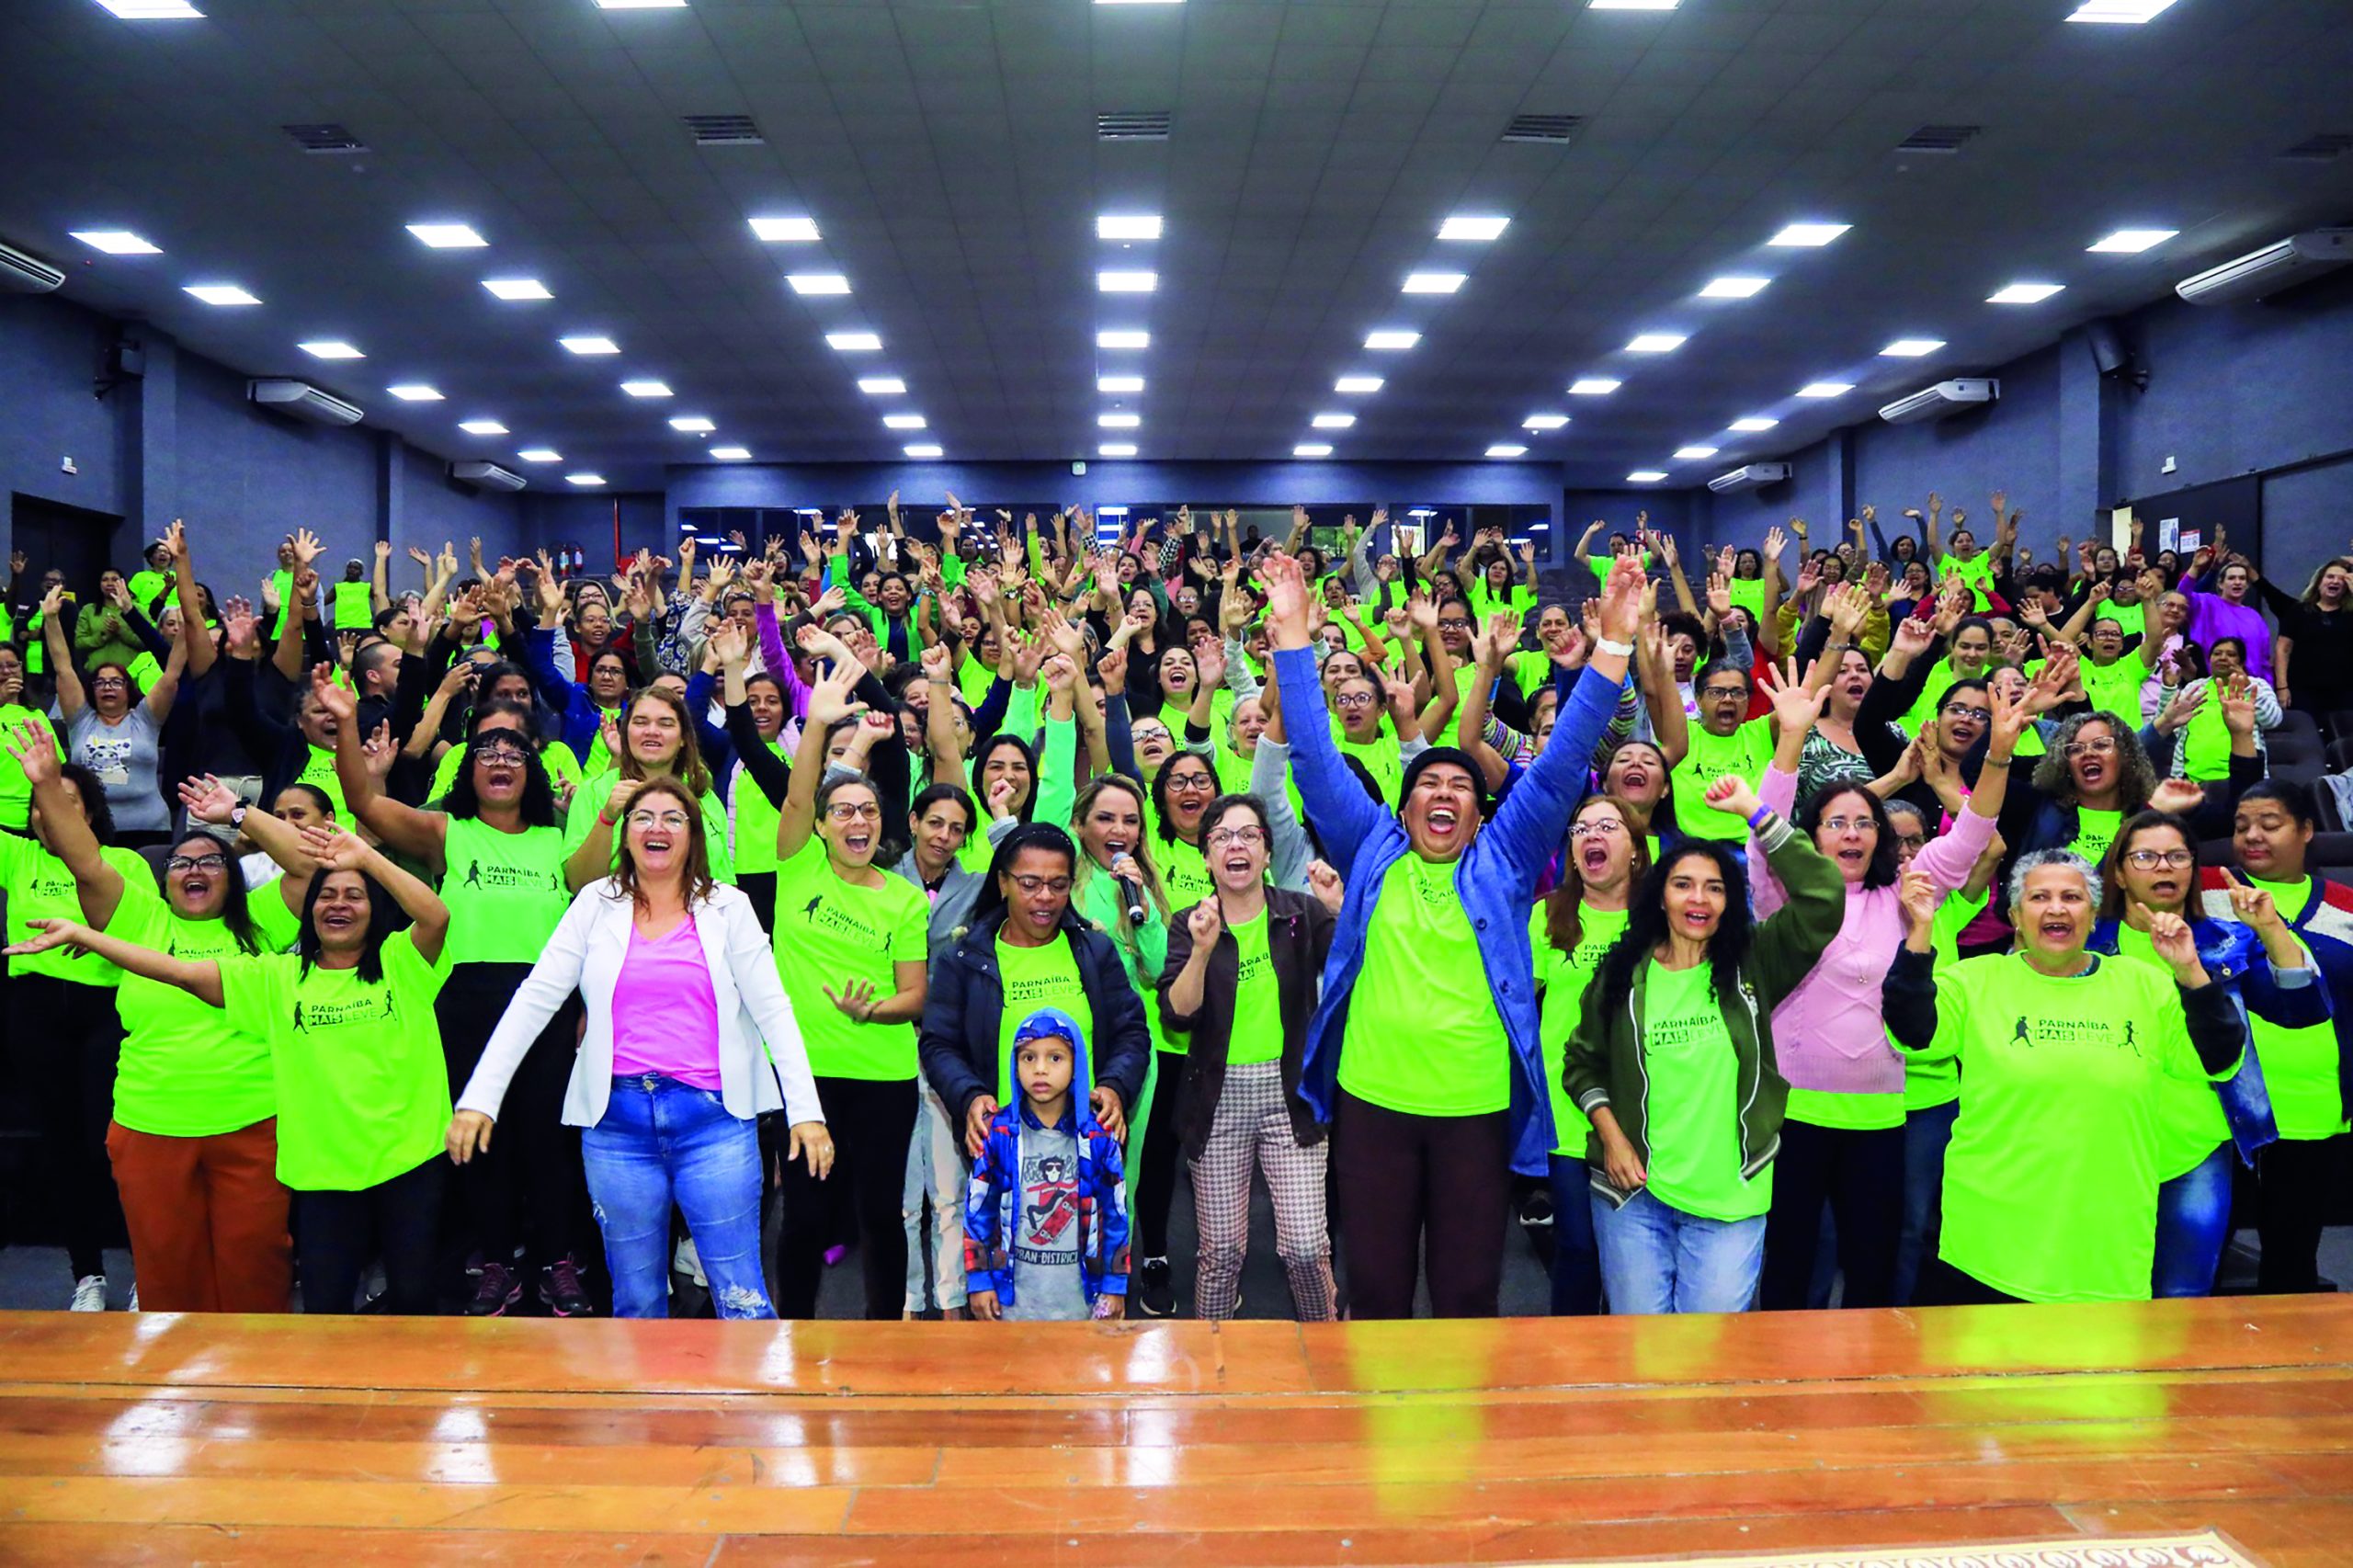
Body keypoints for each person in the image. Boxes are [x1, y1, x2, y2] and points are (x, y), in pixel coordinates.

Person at [1264, 550, 1641, 1319]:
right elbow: (1311, 752)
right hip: (1372, 1106)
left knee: (1469, 1292)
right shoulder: (1370, 848)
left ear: (1479, 812)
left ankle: (1459, 1436)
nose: (1443, 791)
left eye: (1460, 786)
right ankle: (1376, 1431)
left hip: (1475, 1111)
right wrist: (1295, 638)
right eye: (1427, 784)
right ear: (1403, 810)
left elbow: (1565, 760)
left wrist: (1614, 648)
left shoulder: (1505, 858)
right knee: (1376, 1288)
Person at [9, 823, 456, 1314]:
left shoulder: (401, 962)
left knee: (414, 1296)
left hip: (409, 1160)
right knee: (326, 1308)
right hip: (324, 1172)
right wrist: (90, 938)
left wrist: (366, 859)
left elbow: (435, 915)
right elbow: (178, 971)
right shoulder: (277, 978)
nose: (339, 905)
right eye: (326, 896)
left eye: (355, 897)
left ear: (375, 912)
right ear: (309, 915)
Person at [449, 777, 834, 1320]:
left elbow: (775, 1010)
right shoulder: (593, 904)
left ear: (693, 836)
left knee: (742, 1297)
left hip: (715, 1122)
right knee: (635, 1300)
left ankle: (754, 1407)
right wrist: (479, 1098)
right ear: (625, 834)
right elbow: (535, 998)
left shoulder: (731, 907)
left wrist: (806, 1114)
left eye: (673, 818)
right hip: (616, 1126)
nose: (658, 827)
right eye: (643, 816)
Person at [320, 670, 589, 1318]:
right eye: (486, 754)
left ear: (535, 773)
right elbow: (364, 803)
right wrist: (347, 724)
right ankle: (497, 1261)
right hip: (466, 1004)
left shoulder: (561, 841)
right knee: (485, 1143)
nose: (499, 762)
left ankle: (559, 1263)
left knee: (550, 1143)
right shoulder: (447, 834)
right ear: (467, 773)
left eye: (513, 754)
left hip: (547, 1005)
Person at [1749, 665, 2018, 1312]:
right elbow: (1764, 835)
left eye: (1864, 823)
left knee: (1871, 1266)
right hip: (1793, 1118)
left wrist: (2000, 755)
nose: (1852, 833)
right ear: (1812, 836)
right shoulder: (1781, 894)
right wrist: (1791, 737)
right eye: (1836, 822)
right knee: (1790, 1263)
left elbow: (1974, 837)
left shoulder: (1906, 892)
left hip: (1879, 1119)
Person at [9, 728, 300, 1312]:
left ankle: (259, 1398)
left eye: (211, 861)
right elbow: (86, 863)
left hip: (251, 1125)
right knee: (168, 1278)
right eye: (181, 861)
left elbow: (306, 866)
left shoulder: (264, 921)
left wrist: (238, 813)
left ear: (235, 876)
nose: (194, 868)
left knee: (256, 1271)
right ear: (163, 880)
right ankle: (177, 1402)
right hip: (150, 1128)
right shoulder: (140, 920)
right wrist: (45, 785)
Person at [1882, 851, 2248, 1304]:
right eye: (2040, 897)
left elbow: (2219, 1059)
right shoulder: (1975, 980)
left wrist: (2190, 971)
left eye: (2072, 897)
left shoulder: (2144, 984)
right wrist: (1921, 930)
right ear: (2016, 916)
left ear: (2094, 915)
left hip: (2107, 1251)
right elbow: (1911, 1031)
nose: (2057, 908)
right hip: (1988, 1249)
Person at [1563, 776, 1845, 1315]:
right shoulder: (1622, 976)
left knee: (1708, 1358)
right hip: (1633, 1197)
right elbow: (1581, 1065)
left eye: (1715, 887)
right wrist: (1613, 1139)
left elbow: (1824, 896)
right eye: (1683, 884)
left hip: (1731, 1199)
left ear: (1729, 901)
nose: (1699, 898)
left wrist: (1756, 814)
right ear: (1660, 897)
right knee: (1643, 1356)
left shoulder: (1757, 964)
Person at [2093, 811, 2319, 1296]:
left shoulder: (2227, 939)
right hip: (2098, 1140)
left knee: (2183, 1295)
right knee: (2100, 1291)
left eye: (2178, 856)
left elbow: (2300, 1010)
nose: (2164, 868)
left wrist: (2271, 929)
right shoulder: (2087, 944)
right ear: (2118, 871)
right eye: (2145, 857)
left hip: (2196, 1142)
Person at [767, 662, 930, 1321]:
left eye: (867, 810)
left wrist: (876, 1010)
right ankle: (793, 1336)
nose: (856, 820)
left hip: (885, 1078)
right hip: (809, 1079)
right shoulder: (798, 866)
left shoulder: (905, 898)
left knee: (880, 1217)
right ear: (825, 826)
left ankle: (886, 1340)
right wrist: (822, 724)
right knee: (803, 1216)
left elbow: (914, 996)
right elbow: (799, 795)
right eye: (842, 811)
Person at [1157, 794, 1339, 1322]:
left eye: (1249, 836)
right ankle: (1212, 1365)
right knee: (1221, 1253)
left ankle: (1324, 1348)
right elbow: (1177, 1014)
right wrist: (1201, 950)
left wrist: (1338, 909)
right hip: (1216, 1098)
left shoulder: (1301, 914)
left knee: (1306, 1248)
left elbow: (1360, 968)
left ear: (1265, 853)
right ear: (1207, 857)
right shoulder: (1190, 923)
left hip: (1292, 1096)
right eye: (1221, 837)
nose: (1235, 846)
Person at [0, 732, 147, 1311]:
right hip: (35, 1011)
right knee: (62, 1146)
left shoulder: (124, 862)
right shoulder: (20, 855)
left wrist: (99, 942)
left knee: (112, 1145)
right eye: (40, 803)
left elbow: (138, 931)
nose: (48, 812)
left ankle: (147, 1270)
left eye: (64, 801)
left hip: (103, 1015)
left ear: (88, 811)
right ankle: (88, 1274)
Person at [920, 824, 1151, 1168]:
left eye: (1058, 885)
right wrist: (969, 1096)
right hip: (999, 1148)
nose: (1045, 897)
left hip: (1086, 1147)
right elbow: (939, 1043)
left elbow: (1130, 1032)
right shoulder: (966, 959)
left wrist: (1115, 1086)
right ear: (1003, 883)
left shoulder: (1094, 951)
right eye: (1029, 884)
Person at [2216, 781, 2353, 1293]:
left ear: (2307, 830)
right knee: (2204, 1253)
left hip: (2313, 1104)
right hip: (2220, 1105)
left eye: (2270, 824)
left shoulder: (2345, 904)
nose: (2253, 835)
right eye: (2241, 825)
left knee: (2292, 1259)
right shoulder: (2205, 890)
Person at [1530, 794, 1649, 1315]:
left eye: (1607, 825)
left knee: (1632, 1258)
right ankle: (1570, 1373)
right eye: (1580, 829)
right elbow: (1520, 1009)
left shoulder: (1660, 921)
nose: (1591, 836)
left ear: (1637, 851)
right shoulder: (1547, 915)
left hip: (1645, 1112)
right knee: (1579, 1248)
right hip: (1566, 1109)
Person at [962, 1007, 1130, 1322]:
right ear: (1014, 1066)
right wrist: (979, 1280)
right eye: (1028, 1058)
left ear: (1076, 1065)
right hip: (1011, 1305)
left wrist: (1115, 1284)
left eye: (1055, 1058)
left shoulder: (1098, 1139)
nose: (1040, 1069)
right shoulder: (997, 1134)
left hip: (1082, 1303)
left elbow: (1116, 1216)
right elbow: (977, 1213)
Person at [44, 583, 180, 847]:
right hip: (90, 830)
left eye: (116, 682)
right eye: (101, 682)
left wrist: (188, 618)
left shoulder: (146, 719)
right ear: (91, 690)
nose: (108, 687)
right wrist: (51, 619)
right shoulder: (81, 720)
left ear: (129, 690)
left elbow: (173, 672)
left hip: (149, 831)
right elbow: (63, 667)